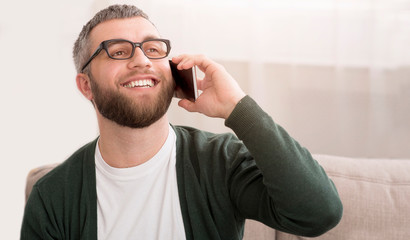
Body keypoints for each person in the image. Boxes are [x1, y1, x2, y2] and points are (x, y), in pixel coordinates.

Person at [21, 4, 342, 240]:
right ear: (86, 85)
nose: (142, 60)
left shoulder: (220, 161)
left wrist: (237, 108)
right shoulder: (54, 196)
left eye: (153, 48)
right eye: (117, 51)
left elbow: (319, 213)